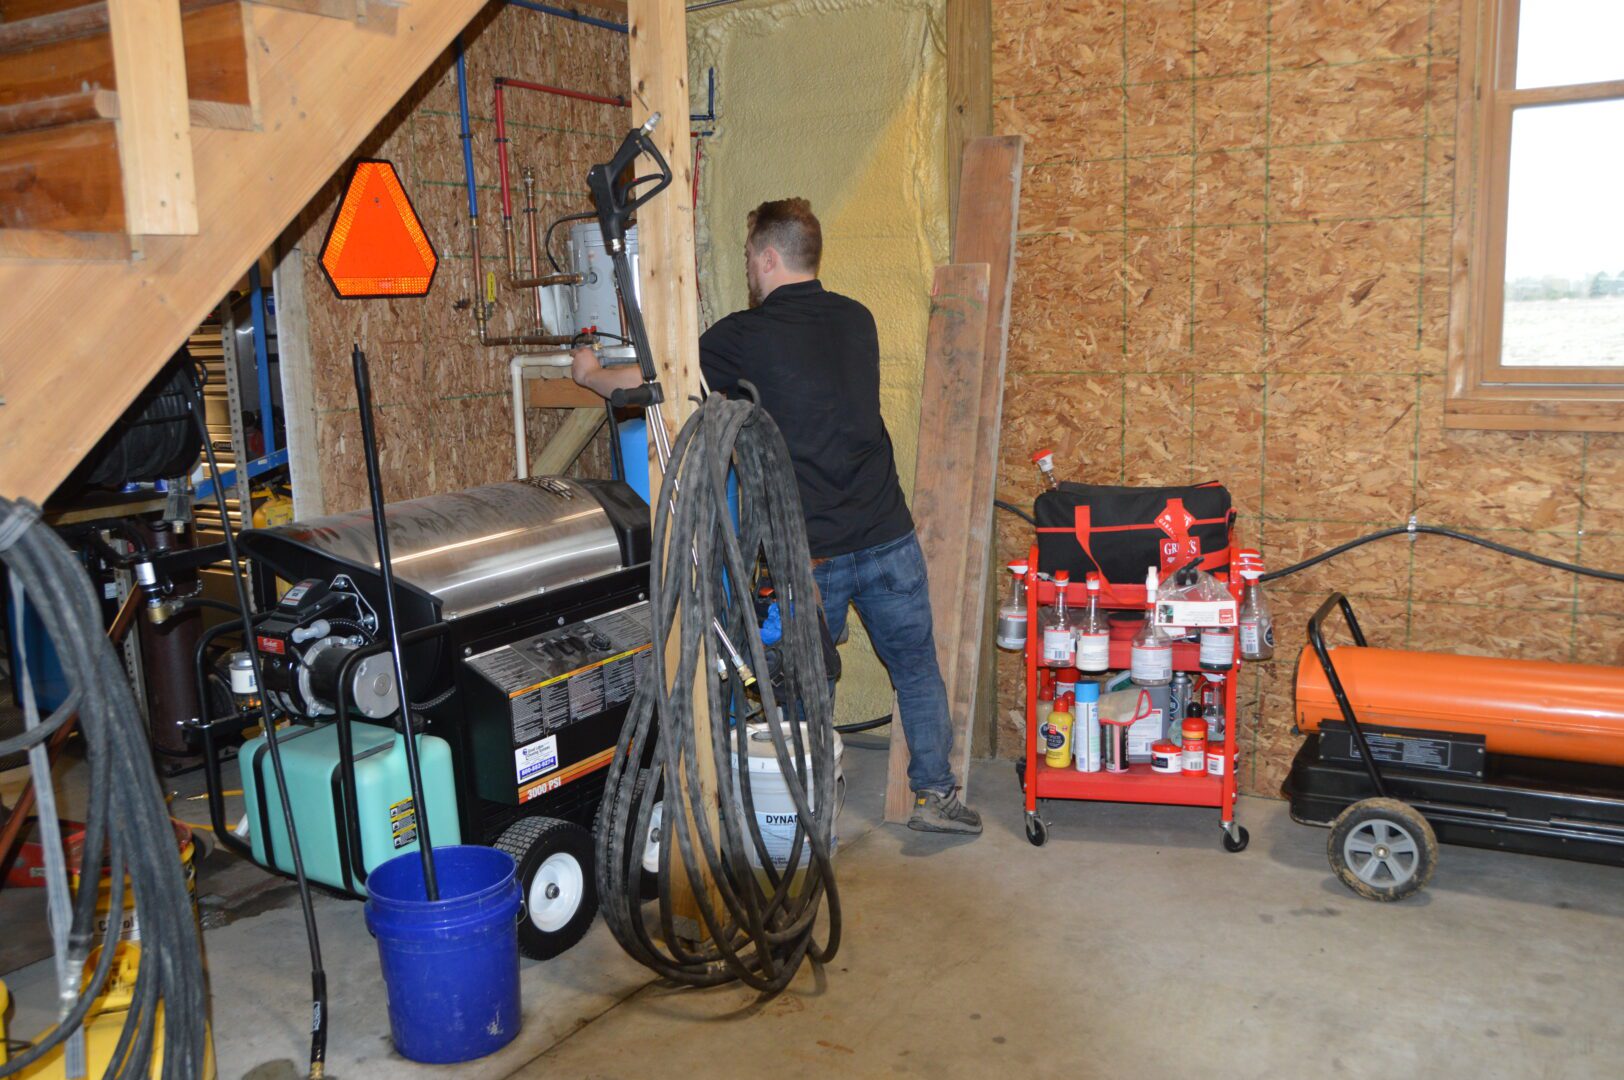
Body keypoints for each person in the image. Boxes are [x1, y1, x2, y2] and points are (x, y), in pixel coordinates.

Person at [571, 198, 980, 836]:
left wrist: (593, 373)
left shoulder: (745, 337)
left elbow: (649, 385)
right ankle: (935, 795)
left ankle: (797, 807)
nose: (748, 274)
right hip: (887, 531)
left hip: (808, 551)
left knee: (799, 681)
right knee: (916, 666)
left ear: (768, 257)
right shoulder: (858, 319)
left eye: (748, 261)